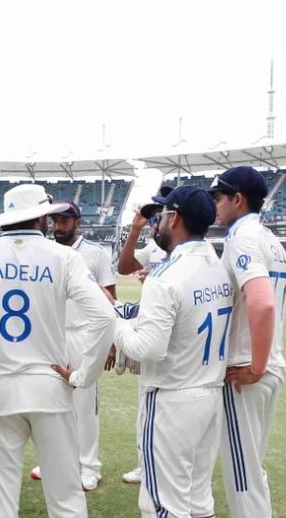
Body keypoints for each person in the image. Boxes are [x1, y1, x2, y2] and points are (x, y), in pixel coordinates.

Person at [0, 183, 115, 518]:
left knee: (1, 499)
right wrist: (83, 375)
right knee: (66, 498)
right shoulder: (65, 257)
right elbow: (105, 317)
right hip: (50, 388)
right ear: (41, 217)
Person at [114, 185, 232, 518]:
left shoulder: (164, 276)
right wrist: (122, 310)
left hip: (171, 399)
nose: (158, 223)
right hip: (209, 394)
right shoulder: (218, 265)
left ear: (175, 218)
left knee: (163, 507)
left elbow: (147, 348)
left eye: (162, 215)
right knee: (198, 502)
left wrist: (116, 327)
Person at [209, 166, 286, 518]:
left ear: (237, 199)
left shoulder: (242, 238)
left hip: (247, 371)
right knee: (253, 469)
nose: (214, 205)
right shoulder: (271, 238)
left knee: (243, 478)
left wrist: (255, 366)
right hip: (271, 366)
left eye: (218, 197)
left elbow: (263, 301)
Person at [27, 200, 115, 490]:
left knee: (84, 402)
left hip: (84, 335)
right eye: (55, 221)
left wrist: (110, 344)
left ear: (77, 221)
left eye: (65, 221)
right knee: (52, 401)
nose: (58, 226)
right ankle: (59, 460)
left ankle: (90, 466)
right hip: (51, 335)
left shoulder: (95, 252)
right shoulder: (47, 252)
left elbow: (109, 300)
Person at [114, 184, 172, 486]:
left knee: (167, 405)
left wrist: (158, 279)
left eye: (160, 213)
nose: (155, 221)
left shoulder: (186, 250)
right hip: (153, 328)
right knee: (147, 404)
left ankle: (161, 466)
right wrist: (135, 230)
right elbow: (124, 268)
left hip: (174, 336)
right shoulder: (154, 247)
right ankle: (146, 462)